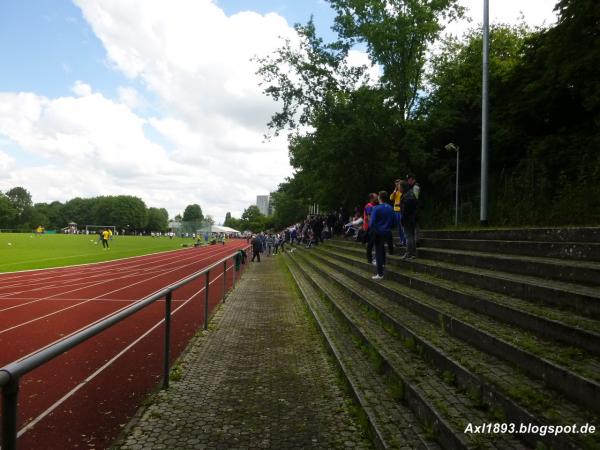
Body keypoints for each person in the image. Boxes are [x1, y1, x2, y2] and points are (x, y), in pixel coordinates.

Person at [369, 191, 395, 280]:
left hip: (379, 232)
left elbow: (371, 223)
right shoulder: (391, 208)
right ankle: (383, 263)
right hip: (387, 232)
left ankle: (380, 274)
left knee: (378, 252)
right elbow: (394, 221)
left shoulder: (376, 208)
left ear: (380, 198)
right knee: (382, 248)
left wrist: (376, 229)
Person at [400, 181, 419, 260]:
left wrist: (402, 219)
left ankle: (408, 253)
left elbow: (405, 211)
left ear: (403, 187)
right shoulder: (411, 194)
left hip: (407, 219)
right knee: (412, 236)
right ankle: (413, 254)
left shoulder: (406, 196)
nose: (398, 188)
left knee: (408, 237)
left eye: (399, 187)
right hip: (412, 218)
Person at [389, 179, 406, 246]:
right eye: (396, 184)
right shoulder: (396, 192)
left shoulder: (403, 191)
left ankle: (404, 241)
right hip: (396, 210)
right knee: (398, 227)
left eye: (398, 184)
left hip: (401, 210)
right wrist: (395, 190)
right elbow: (391, 198)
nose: (397, 185)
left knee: (402, 226)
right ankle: (401, 240)